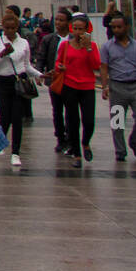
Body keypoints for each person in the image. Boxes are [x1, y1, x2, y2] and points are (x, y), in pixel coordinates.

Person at [0, 12, 44, 166]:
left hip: (19, 81)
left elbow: (27, 65)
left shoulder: (23, 43)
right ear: (2, 28)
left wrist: (40, 75)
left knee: (17, 118)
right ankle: (0, 143)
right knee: (4, 116)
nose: (10, 31)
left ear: (17, 27)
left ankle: (16, 153)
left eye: (13, 28)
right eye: (7, 28)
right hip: (2, 82)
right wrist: (2, 55)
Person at [99, 11, 136, 161]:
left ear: (127, 27)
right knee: (118, 123)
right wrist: (104, 86)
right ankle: (120, 151)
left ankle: (135, 142)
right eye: (113, 27)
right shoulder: (107, 47)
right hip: (117, 88)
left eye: (119, 27)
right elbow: (103, 67)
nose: (116, 30)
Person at [54, 12, 101, 169]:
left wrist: (88, 49)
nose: (78, 32)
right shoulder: (65, 45)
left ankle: (85, 142)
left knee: (89, 121)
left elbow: (96, 65)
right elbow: (58, 62)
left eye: (81, 29)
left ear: (87, 30)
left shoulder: (92, 46)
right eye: (75, 28)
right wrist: (60, 67)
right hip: (70, 86)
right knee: (73, 121)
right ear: (71, 29)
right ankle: (77, 154)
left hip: (87, 86)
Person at [33, 8, 70, 153]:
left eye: (62, 20)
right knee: (57, 110)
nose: (59, 23)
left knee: (71, 111)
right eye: (57, 20)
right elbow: (41, 57)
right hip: (55, 80)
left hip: (71, 80)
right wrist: (39, 73)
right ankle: (60, 138)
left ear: (68, 22)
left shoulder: (74, 39)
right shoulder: (49, 39)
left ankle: (70, 137)